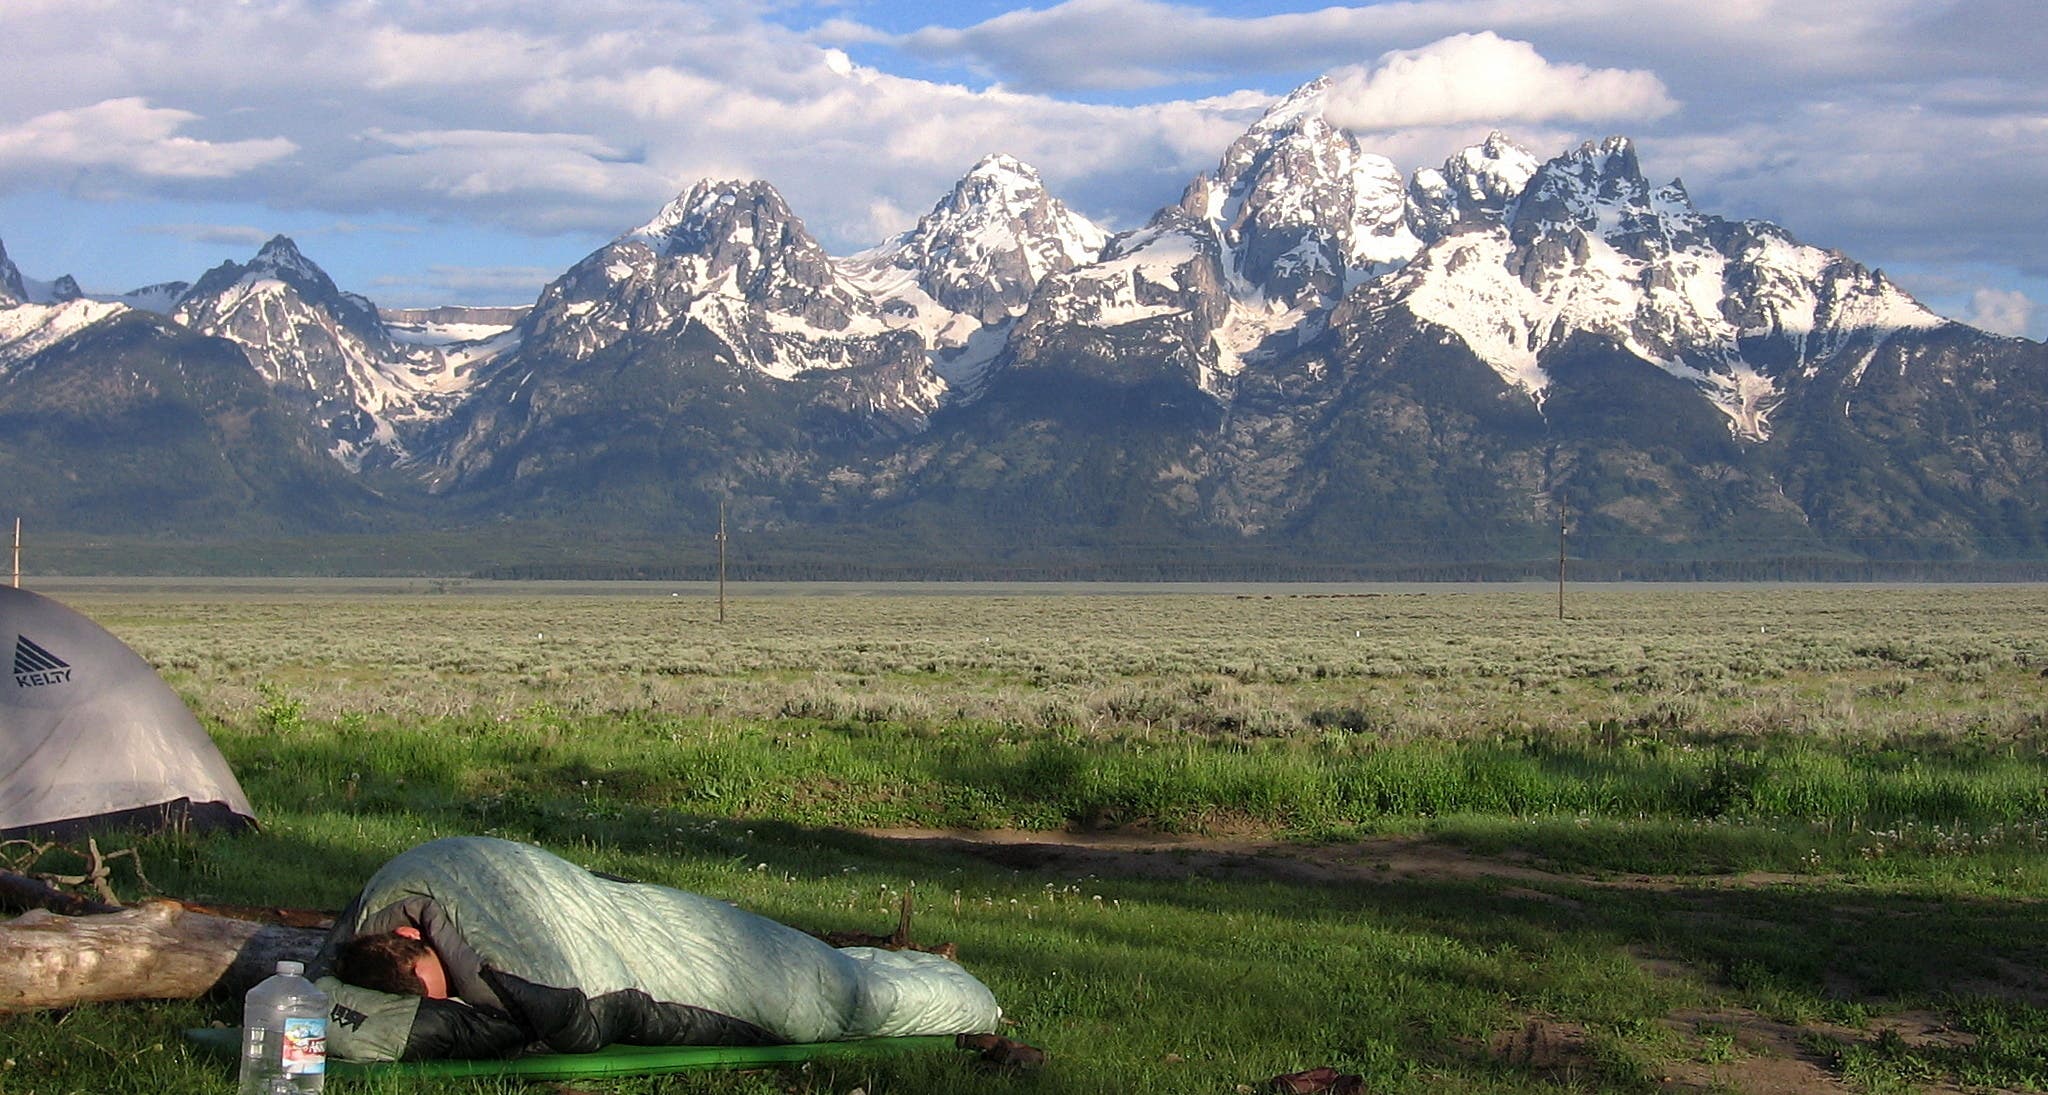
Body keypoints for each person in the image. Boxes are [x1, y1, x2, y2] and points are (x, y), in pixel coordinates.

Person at [313, 835, 1002, 1060]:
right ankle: (924, 975)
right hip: (631, 929)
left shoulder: (428, 904)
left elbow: (572, 1012)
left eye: (445, 975)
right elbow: (310, 997)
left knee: (840, 998)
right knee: (829, 987)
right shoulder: (378, 915)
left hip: (637, 924)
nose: (463, 991)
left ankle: (970, 999)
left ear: (406, 934)